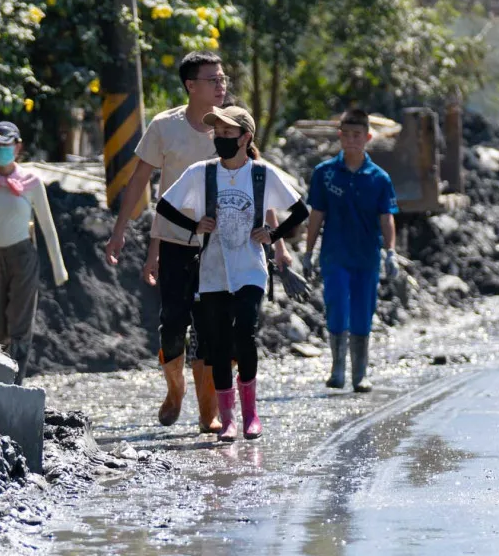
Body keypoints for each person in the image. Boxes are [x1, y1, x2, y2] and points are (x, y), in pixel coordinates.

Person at [153, 106, 307, 440]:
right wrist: (194, 225)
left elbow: (300, 210)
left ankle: (251, 415)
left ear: (245, 137)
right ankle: (228, 419)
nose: (220, 139)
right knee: (219, 343)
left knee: (245, 335)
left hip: (251, 268)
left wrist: (273, 236)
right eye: (217, 133)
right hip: (212, 270)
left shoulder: (261, 174)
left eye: (227, 133)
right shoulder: (202, 173)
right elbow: (164, 205)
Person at [104, 50, 229, 429]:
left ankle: (208, 411)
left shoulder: (231, 126)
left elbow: (254, 177)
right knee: (173, 324)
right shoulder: (165, 126)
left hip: (220, 245)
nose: (221, 86)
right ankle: (175, 390)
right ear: (191, 86)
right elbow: (141, 180)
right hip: (175, 240)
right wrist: (121, 229)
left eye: (223, 79)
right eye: (213, 80)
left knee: (211, 324)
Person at [302, 108, 399, 393]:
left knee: (362, 312)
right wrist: (308, 253)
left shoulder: (379, 178)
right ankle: (337, 370)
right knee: (336, 307)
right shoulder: (325, 173)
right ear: (339, 136)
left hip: (367, 256)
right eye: (347, 134)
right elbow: (316, 215)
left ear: (368, 137)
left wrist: (390, 252)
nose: (352, 140)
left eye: (358, 135)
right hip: (334, 255)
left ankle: (360, 374)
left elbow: (386, 217)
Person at [0, 121, 69, 378]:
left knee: (19, 323)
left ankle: (17, 380)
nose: (0, 151)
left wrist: (59, 268)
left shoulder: (31, 182)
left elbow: (47, 225)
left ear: (17, 147)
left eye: (5, 146)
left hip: (23, 256)